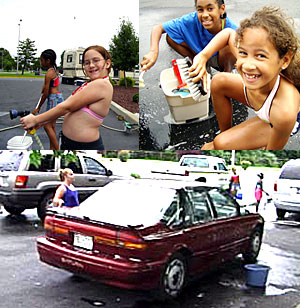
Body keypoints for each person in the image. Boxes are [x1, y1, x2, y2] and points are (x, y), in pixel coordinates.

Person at [189, 6, 300, 150]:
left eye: (261, 56)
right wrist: (203, 56)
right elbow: (228, 33)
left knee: (219, 144)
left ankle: (231, 143)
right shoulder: (253, 58)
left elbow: (271, 154)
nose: (248, 65)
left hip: (275, 119)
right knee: (218, 82)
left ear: (284, 60)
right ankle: (228, 135)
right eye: (242, 53)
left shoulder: (284, 112)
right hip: (260, 92)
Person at [20, 45, 113, 150]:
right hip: (70, 143)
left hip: (84, 146)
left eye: (96, 60)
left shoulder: (101, 84)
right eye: (86, 63)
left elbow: (66, 107)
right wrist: (43, 121)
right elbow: (69, 106)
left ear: (107, 63)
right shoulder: (92, 83)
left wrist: (36, 119)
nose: (91, 65)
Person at [141, 0, 237, 74]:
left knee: (231, 41)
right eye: (200, 10)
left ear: (222, 9)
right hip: (200, 56)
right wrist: (153, 52)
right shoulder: (191, 19)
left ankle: (227, 75)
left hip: (220, 60)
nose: (205, 15)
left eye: (210, 9)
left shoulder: (232, 28)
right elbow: (158, 28)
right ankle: (199, 67)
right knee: (171, 37)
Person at [32, 49, 64, 150]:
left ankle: (57, 149)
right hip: (58, 97)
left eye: (42, 60)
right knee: (52, 126)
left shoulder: (49, 74)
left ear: (48, 60)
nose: (41, 62)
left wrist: (38, 108)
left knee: (47, 126)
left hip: (53, 99)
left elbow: (45, 93)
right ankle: (52, 149)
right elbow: (49, 86)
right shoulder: (54, 70)